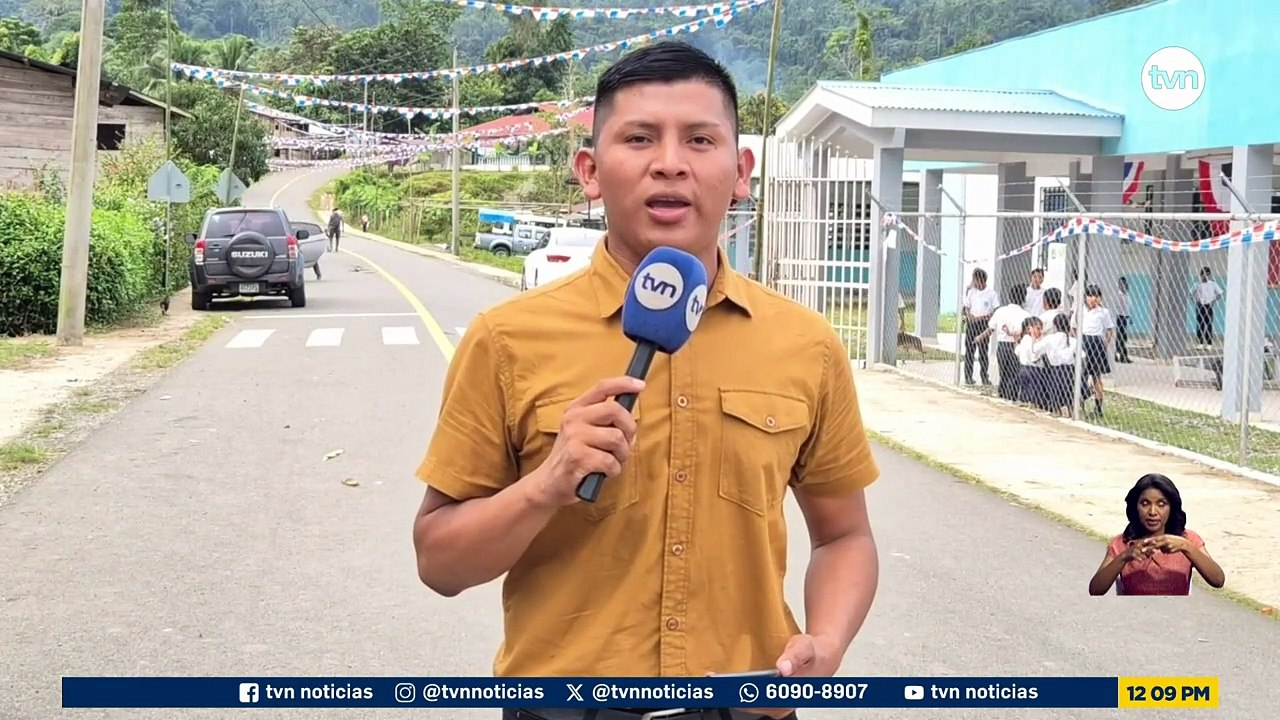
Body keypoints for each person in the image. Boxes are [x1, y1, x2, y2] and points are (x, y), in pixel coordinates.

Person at [411, 41, 880, 720]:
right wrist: (547, 485)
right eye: (639, 138)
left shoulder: (805, 344)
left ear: (741, 172)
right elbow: (439, 563)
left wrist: (828, 642)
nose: (670, 162)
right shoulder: (506, 338)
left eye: (700, 139)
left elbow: (844, 537)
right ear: (590, 171)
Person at [1088, 473, 1225, 596]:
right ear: (1135, 507)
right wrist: (1124, 557)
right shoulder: (1121, 543)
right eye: (1145, 504)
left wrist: (1186, 547)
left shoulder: (1188, 539)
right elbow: (1095, 590)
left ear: (1171, 507)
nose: (1152, 512)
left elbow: (1218, 581)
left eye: (1161, 504)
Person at [976, 283, 1029, 402]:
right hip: (1016, 344)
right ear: (1024, 298)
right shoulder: (1026, 315)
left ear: (1010, 296)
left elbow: (991, 328)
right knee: (1014, 374)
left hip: (1002, 345)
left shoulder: (1000, 311)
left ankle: (1002, 395)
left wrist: (980, 337)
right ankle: (1012, 397)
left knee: (1003, 374)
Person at [1072, 284, 1115, 418]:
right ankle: (1080, 402)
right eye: (1090, 296)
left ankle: (1098, 407)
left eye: (1096, 296)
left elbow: (1110, 330)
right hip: (1083, 341)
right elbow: (1073, 326)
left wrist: (1105, 344)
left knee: (1096, 377)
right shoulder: (1080, 310)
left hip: (1096, 342)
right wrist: (1077, 340)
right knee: (1080, 374)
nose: (1093, 299)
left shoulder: (1103, 312)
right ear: (1085, 297)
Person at [962, 268, 999, 386]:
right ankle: (968, 376)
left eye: (975, 280)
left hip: (983, 324)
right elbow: (967, 306)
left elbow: (996, 309)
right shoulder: (972, 292)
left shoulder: (991, 293)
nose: (973, 282)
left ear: (981, 280)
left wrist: (988, 316)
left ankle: (984, 377)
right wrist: (969, 315)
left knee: (983, 352)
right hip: (972, 323)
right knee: (969, 351)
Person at [1191, 266, 1223, 348]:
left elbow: (1220, 293)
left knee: (1208, 324)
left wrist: (1213, 301)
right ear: (1201, 275)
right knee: (1200, 324)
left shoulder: (1213, 284)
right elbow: (1191, 294)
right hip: (1200, 306)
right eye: (1204, 274)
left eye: (1208, 274)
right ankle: (1200, 343)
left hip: (1209, 306)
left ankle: (1209, 343)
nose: (1206, 276)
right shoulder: (1197, 284)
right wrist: (1195, 301)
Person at [1114, 276, 1131, 363]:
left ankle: (1121, 356)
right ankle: (1121, 356)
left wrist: (1129, 316)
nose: (1124, 285)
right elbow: (1118, 308)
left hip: (1124, 317)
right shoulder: (1118, 294)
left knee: (1122, 338)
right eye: (1122, 284)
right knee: (1120, 337)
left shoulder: (1126, 294)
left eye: (1125, 283)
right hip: (1119, 317)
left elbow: (1127, 307)